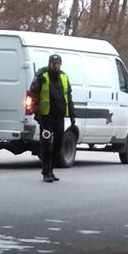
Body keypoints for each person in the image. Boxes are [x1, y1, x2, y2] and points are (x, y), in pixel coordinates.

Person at [29, 53, 77, 183]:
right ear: (49, 63)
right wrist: (36, 112)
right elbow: (33, 95)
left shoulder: (64, 76)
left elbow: (69, 98)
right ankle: (46, 172)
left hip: (60, 117)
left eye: (58, 64)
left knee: (58, 144)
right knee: (46, 145)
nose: (55, 66)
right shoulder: (42, 75)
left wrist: (72, 116)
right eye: (53, 63)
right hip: (46, 117)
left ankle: (51, 168)